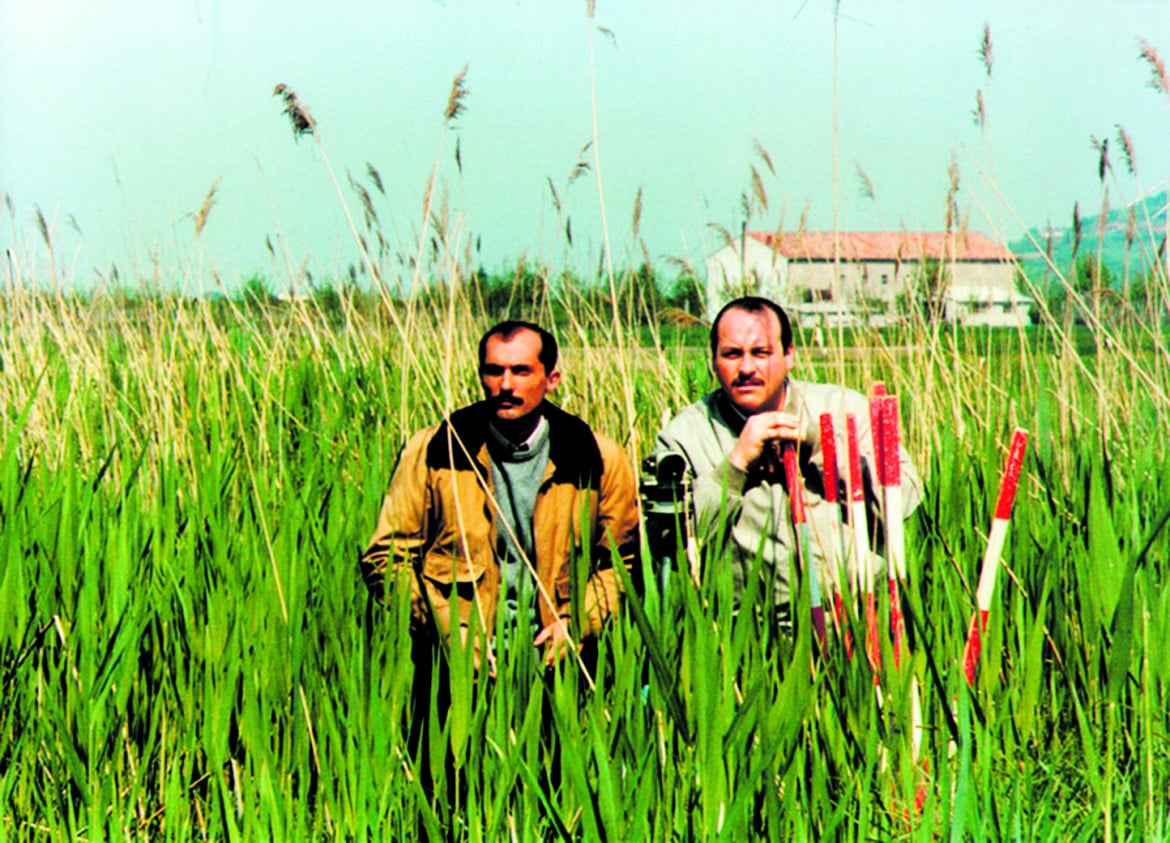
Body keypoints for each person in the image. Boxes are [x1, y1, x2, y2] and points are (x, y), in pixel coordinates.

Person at [359, 320, 640, 674]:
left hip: (560, 671)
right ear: (480, 376)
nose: (506, 385)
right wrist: (446, 627)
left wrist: (578, 622)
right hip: (458, 670)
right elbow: (385, 560)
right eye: (495, 371)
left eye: (521, 371)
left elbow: (623, 564)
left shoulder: (595, 457)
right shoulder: (436, 451)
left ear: (551, 380)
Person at [654, 296, 923, 618]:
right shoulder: (685, 434)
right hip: (745, 631)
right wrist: (735, 466)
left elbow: (903, 501)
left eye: (761, 353)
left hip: (856, 620)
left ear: (789, 354)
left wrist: (824, 449)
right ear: (713, 360)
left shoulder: (846, 409)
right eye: (732, 354)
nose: (747, 368)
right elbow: (671, 545)